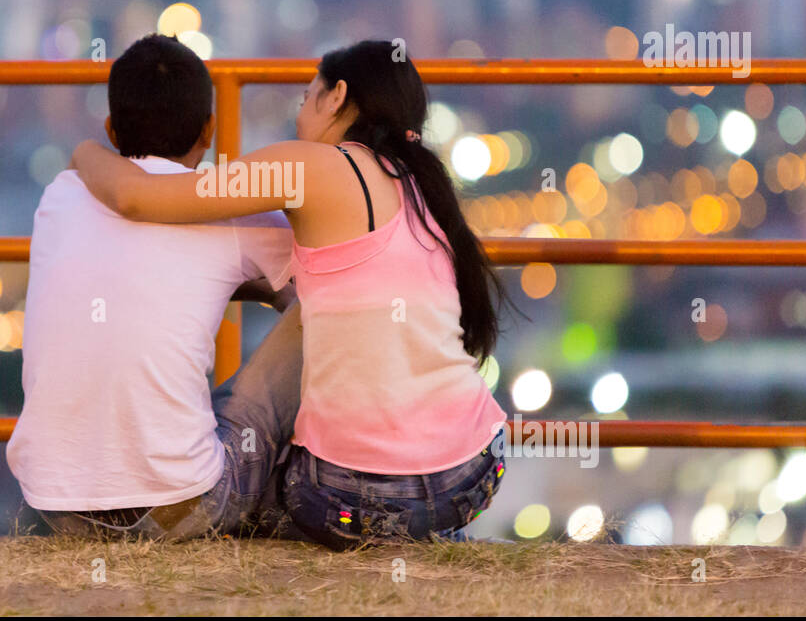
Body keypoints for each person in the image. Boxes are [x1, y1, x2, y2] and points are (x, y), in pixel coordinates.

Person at [72, 39, 516, 549]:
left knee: (244, 472)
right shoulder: (423, 186)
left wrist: (86, 152)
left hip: (349, 501)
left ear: (336, 97)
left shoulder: (309, 167)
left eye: (308, 96)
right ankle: (420, 524)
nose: (301, 112)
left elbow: (137, 197)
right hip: (475, 471)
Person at [7, 34, 305, 540]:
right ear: (208, 130)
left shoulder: (62, 193)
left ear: (110, 128)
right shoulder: (232, 209)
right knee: (327, 312)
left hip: (58, 507)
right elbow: (330, 285)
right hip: (186, 506)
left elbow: (133, 271)